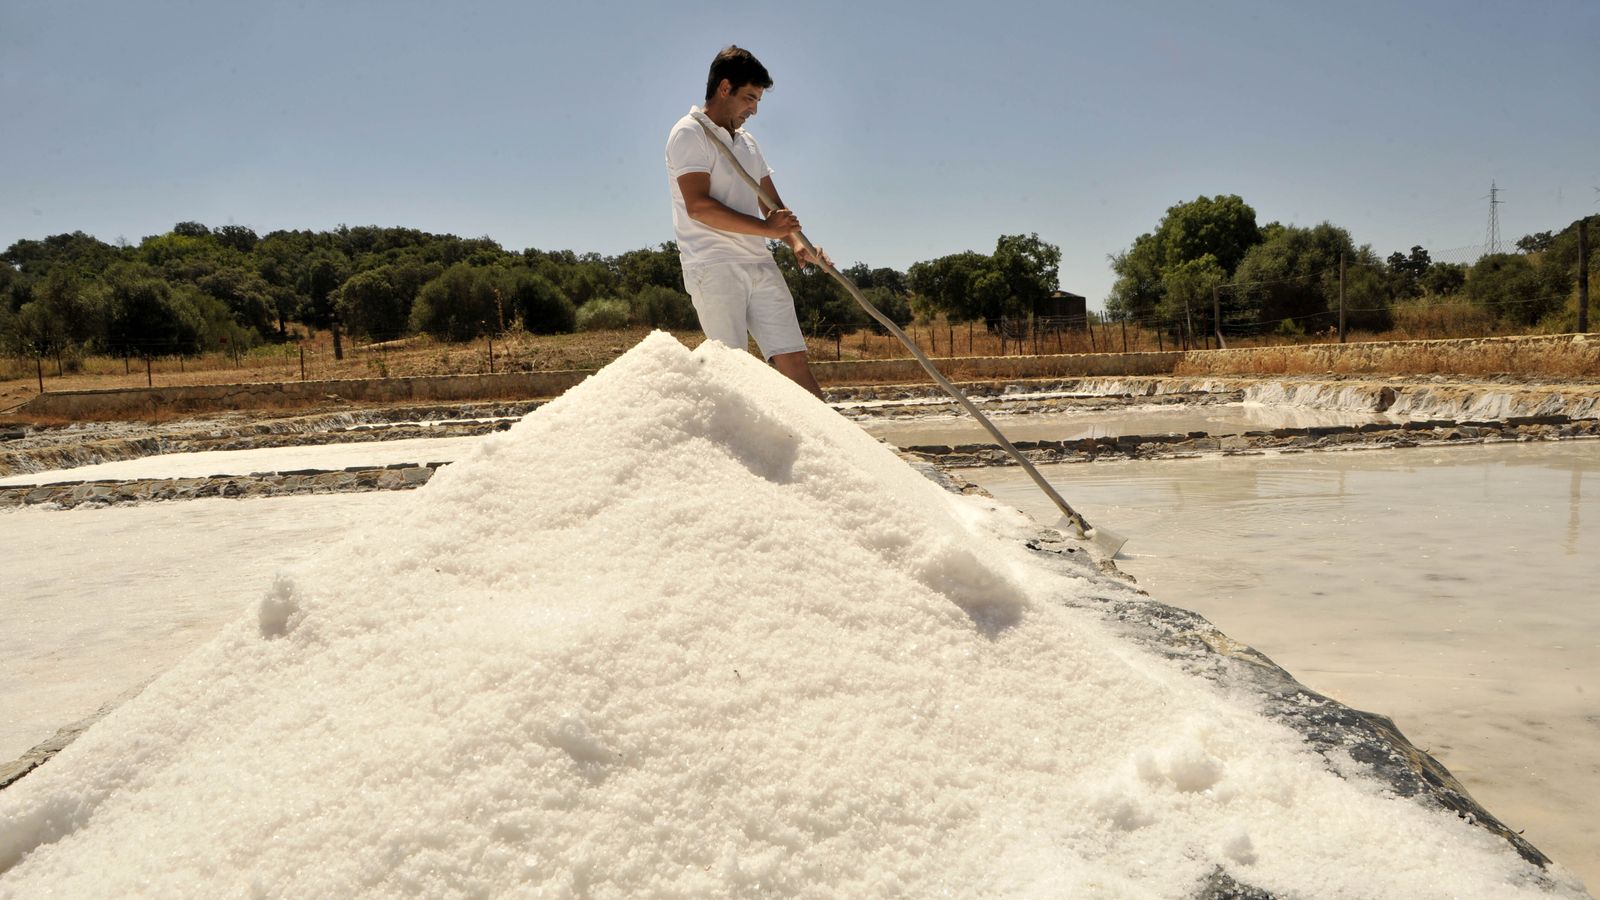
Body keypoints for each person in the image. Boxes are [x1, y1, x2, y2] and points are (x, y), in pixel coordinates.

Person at [665, 45, 827, 399]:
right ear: (725, 88)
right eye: (749, 98)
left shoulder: (748, 143)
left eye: (757, 101)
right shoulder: (688, 132)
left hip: (758, 262)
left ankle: (835, 437)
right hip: (713, 265)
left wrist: (799, 244)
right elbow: (698, 206)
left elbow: (773, 207)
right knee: (732, 369)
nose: (754, 110)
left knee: (794, 359)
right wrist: (768, 230)